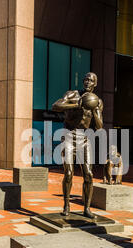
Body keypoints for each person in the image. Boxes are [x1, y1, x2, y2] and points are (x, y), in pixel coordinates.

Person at [52, 72, 104, 218]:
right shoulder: (73, 94)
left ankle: (86, 208)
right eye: (86, 79)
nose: (88, 82)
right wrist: (77, 104)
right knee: (68, 173)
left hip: (85, 138)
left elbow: (99, 127)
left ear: (95, 84)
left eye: (91, 80)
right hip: (69, 135)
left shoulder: (97, 101)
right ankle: (66, 205)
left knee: (89, 174)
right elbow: (55, 105)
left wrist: (94, 110)